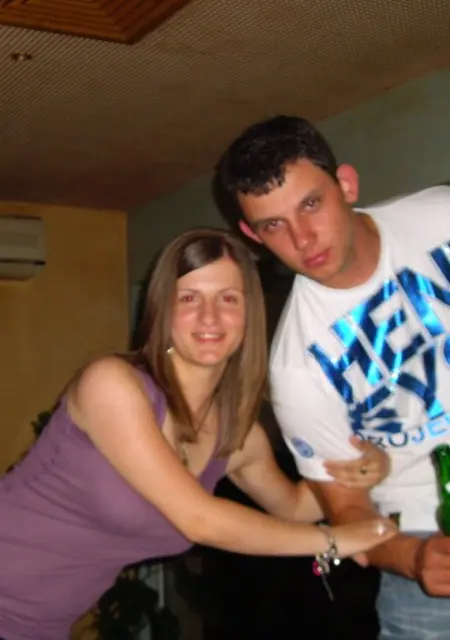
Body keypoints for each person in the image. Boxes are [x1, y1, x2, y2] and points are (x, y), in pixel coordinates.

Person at [0, 228, 395, 640]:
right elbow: (198, 520)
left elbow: (295, 507)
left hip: (41, 627)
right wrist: (334, 541)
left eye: (228, 298)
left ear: (249, 311)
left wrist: (368, 467)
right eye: (189, 298)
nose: (210, 317)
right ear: (162, 309)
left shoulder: (237, 435)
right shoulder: (112, 385)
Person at [215, 115, 450, 639]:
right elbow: (346, 511)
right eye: (273, 225)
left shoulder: (440, 218)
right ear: (253, 235)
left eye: (310, 204)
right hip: (428, 545)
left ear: (346, 184)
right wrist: (413, 559)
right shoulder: (296, 367)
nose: (302, 239)